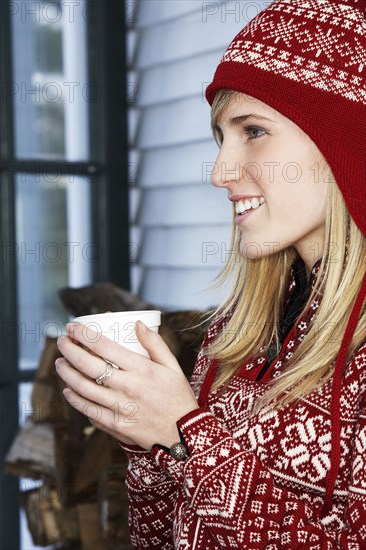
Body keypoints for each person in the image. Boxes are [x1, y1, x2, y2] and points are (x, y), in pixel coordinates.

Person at [56, 0, 366, 547]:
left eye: (253, 131)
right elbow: (165, 536)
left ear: (344, 141)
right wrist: (146, 437)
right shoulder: (237, 332)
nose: (221, 171)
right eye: (220, 138)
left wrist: (183, 436)